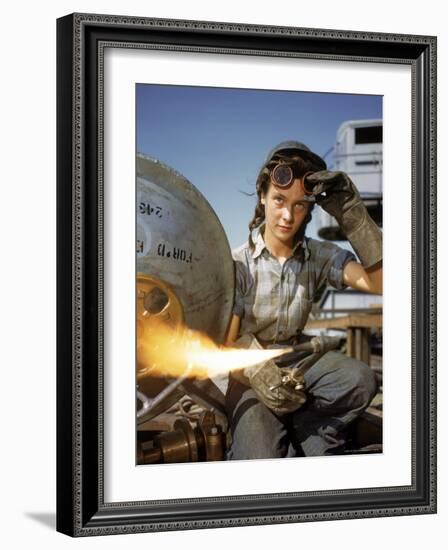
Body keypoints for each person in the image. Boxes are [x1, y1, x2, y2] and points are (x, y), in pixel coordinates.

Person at [224, 140, 382, 459]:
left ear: (309, 210)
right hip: (248, 371)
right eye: (279, 199)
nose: (287, 215)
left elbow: (382, 283)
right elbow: (228, 344)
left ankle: (310, 434)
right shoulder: (237, 263)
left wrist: (351, 213)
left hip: (299, 361)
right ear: (263, 197)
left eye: (299, 205)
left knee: (359, 380)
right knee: (259, 456)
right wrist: (256, 370)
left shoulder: (319, 256)